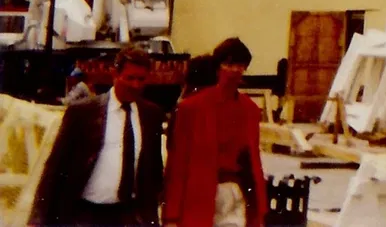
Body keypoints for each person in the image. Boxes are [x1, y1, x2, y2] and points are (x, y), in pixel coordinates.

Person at [29, 46, 166, 227]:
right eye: (130, 78)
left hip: (130, 216)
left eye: (141, 79)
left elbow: (154, 170)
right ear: (115, 74)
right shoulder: (83, 113)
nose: (135, 85)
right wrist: (38, 219)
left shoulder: (151, 115)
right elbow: (55, 167)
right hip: (86, 215)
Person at [162, 39, 266, 227]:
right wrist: (171, 216)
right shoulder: (191, 108)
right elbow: (178, 165)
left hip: (236, 191)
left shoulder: (250, 109)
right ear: (217, 67)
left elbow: (253, 161)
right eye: (229, 64)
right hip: (200, 196)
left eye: (241, 65)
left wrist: (259, 211)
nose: (235, 71)